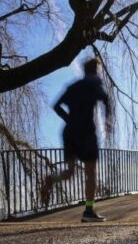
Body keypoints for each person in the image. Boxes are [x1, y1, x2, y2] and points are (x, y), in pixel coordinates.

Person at [42, 58, 113, 222]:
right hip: (86, 132)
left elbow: (56, 106)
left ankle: (51, 179)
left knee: (69, 172)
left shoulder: (73, 87)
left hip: (69, 132)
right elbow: (106, 100)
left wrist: (69, 120)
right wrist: (108, 120)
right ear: (95, 71)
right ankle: (88, 210)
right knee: (91, 173)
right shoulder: (94, 84)